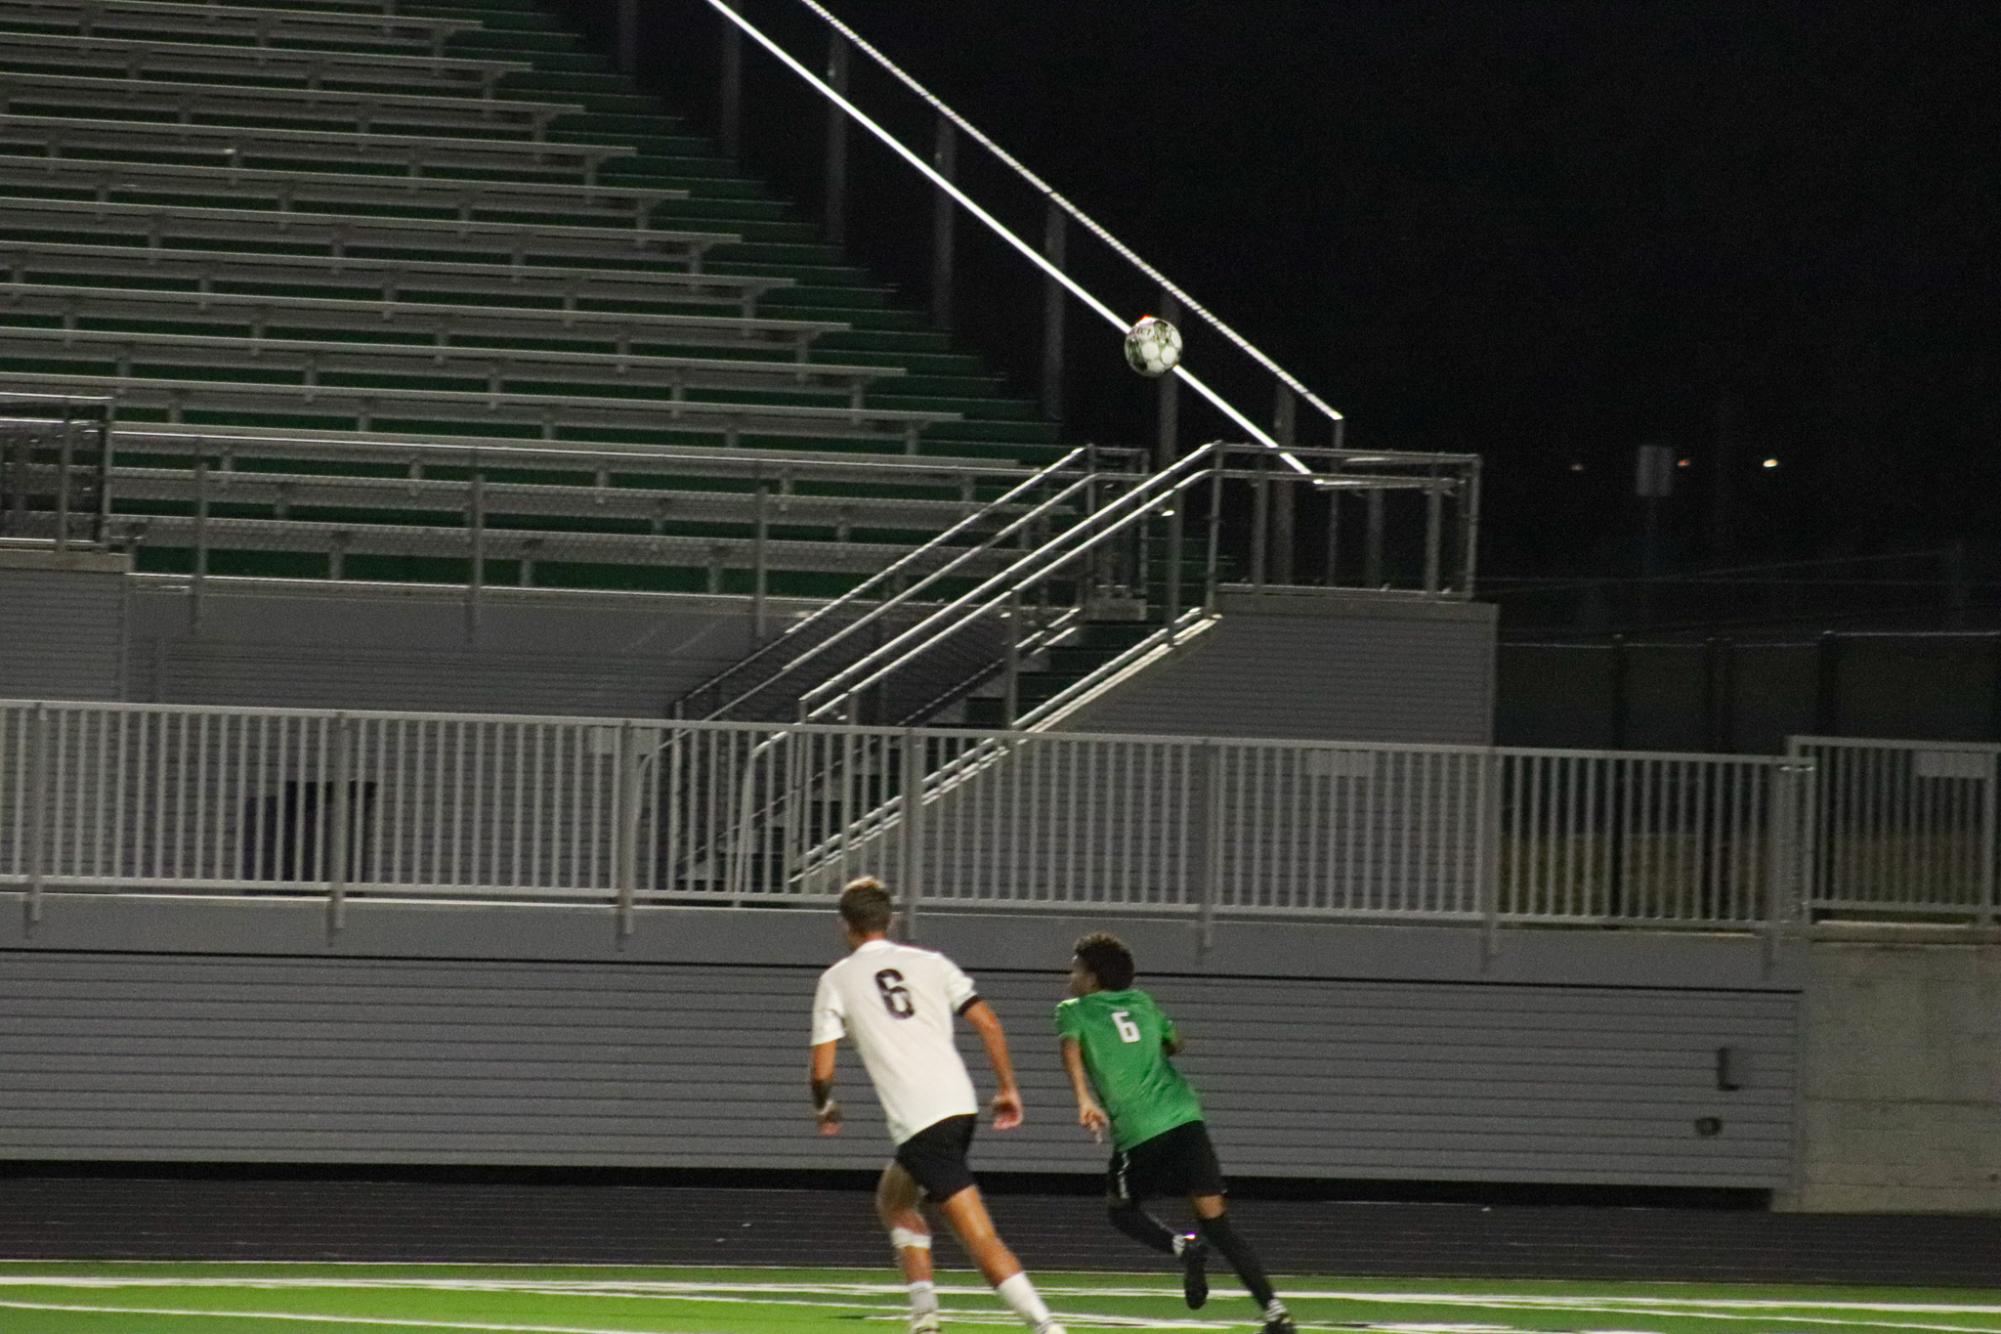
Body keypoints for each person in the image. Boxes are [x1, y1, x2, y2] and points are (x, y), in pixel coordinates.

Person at [810, 877, 1066, 1334]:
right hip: (958, 1106)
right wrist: (1008, 1088)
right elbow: (988, 1024)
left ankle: (1046, 1326)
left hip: (921, 1119)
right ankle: (924, 1317)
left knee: (979, 1238)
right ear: (891, 920)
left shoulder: (837, 979)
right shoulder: (932, 962)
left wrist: (825, 1104)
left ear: (844, 927)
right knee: (894, 1197)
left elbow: (821, 1069)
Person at [1055, 930, 1296, 1334]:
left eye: (1076, 968)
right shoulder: (1143, 1002)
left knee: (1121, 1209)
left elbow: (1070, 1052)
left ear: (1092, 977)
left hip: (1140, 1131)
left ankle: (1183, 1248)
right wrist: (1148, 1052)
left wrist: (1084, 1099)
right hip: (1186, 1120)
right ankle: (1275, 1312)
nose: (1070, 975)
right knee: (1219, 1226)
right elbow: (1177, 1042)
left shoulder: (1072, 1010)